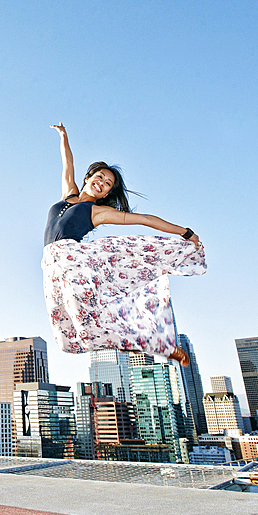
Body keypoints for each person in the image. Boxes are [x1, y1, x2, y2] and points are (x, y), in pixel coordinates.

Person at [42, 123, 206, 366]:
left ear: (106, 193)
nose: (102, 183)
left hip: (72, 260)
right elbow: (67, 164)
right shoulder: (69, 194)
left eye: (107, 184)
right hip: (50, 266)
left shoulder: (97, 212)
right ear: (89, 178)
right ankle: (135, 343)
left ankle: (158, 346)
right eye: (100, 177)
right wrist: (64, 136)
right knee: (67, 339)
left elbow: (145, 220)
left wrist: (186, 232)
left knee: (87, 319)